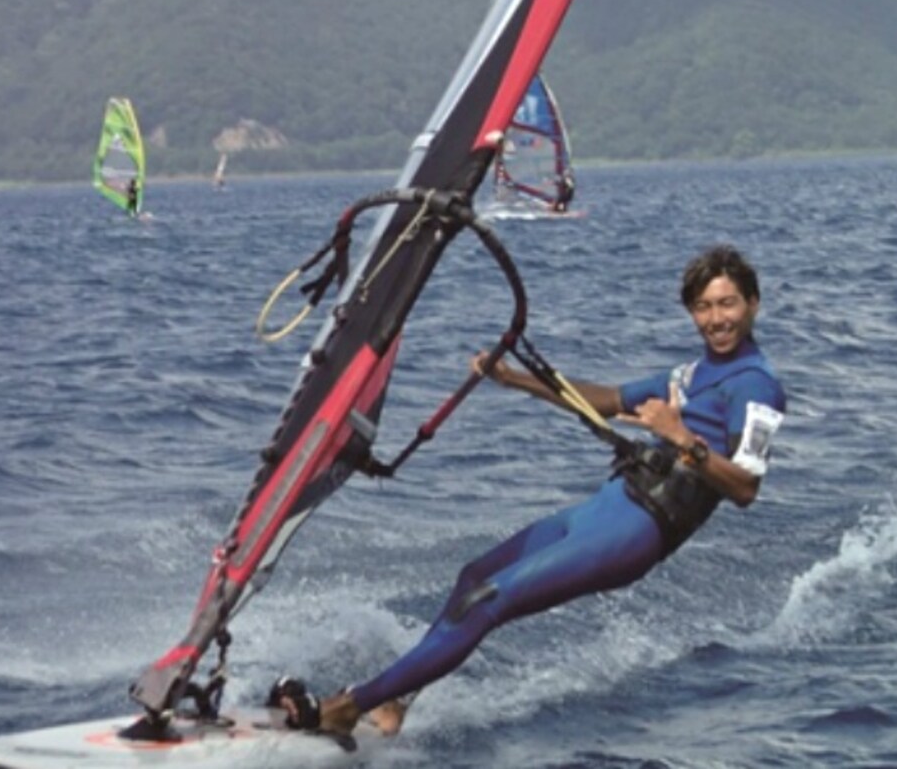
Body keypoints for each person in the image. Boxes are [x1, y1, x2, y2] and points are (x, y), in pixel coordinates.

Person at [275, 244, 787, 738]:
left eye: (727, 304)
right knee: (473, 576)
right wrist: (514, 379)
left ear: (753, 304)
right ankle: (393, 702)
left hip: (638, 530)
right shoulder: (694, 371)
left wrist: (684, 440)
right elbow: (607, 400)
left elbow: (746, 486)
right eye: (703, 307)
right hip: (607, 507)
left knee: (485, 603)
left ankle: (347, 707)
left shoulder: (755, 384)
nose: (716, 318)